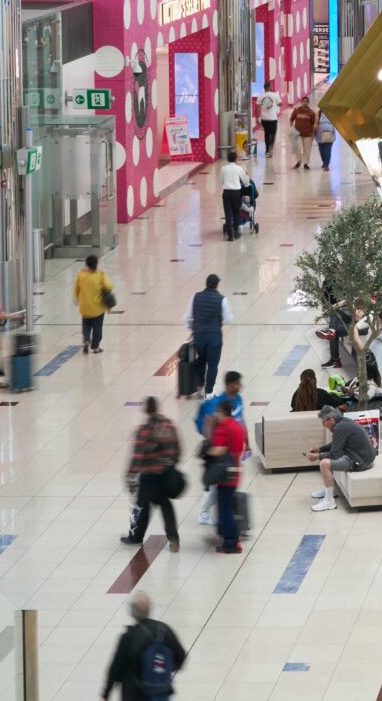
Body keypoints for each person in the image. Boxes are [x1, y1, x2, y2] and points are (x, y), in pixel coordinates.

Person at [120, 397, 181, 553]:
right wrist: (170, 464)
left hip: (148, 475)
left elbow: (137, 457)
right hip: (165, 474)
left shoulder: (144, 429)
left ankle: (135, 537)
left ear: (146, 410)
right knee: (166, 506)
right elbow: (177, 450)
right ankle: (173, 538)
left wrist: (131, 477)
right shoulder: (168, 425)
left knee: (141, 506)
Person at [102, 590, 187, 700]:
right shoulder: (164, 630)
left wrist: (106, 692)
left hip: (135, 694)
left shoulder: (129, 636)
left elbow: (115, 668)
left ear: (133, 612)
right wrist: (162, 670)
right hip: (160, 692)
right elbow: (181, 655)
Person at [307, 405, 376, 513]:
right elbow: (336, 443)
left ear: (331, 419)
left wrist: (318, 457)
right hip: (361, 456)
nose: (323, 425)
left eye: (323, 422)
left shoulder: (339, 427)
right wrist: (319, 449)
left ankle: (329, 501)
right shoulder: (342, 422)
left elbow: (335, 454)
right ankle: (329, 490)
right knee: (328, 459)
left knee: (324, 464)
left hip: (359, 461)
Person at [204, 396, 248, 553]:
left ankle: (231, 542)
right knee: (226, 507)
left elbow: (219, 449)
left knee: (225, 510)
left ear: (222, 412)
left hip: (224, 474)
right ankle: (226, 536)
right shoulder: (237, 426)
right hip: (235, 470)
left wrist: (206, 452)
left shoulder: (224, 427)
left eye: (217, 412)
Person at [183, 274, 232, 398]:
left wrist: (193, 328)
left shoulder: (195, 297)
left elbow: (187, 317)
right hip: (214, 337)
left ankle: (200, 387)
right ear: (216, 285)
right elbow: (228, 319)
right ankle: (209, 391)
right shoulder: (221, 299)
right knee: (212, 364)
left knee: (201, 361)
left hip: (199, 336)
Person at [75, 254, 112, 354]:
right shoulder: (100, 275)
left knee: (86, 325)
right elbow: (109, 287)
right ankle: (95, 347)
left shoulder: (81, 275)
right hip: (98, 308)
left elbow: (76, 289)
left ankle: (86, 339)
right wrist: (104, 272)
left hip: (85, 307)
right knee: (97, 328)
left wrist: (76, 298)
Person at [219, 149, 247, 240]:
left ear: (227, 159)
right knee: (236, 212)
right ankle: (236, 229)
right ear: (235, 159)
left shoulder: (223, 168)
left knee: (228, 213)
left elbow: (222, 181)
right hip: (236, 192)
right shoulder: (239, 168)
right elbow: (245, 181)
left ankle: (229, 235)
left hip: (226, 192)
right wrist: (246, 184)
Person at [290, 96, 319, 169]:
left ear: (308, 103)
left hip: (307, 134)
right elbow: (291, 119)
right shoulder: (296, 110)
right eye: (303, 101)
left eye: (306, 101)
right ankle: (299, 161)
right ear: (301, 102)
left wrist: (313, 134)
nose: (305, 103)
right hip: (297, 133)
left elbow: (313, 123)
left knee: (307, 149)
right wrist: (291, 128)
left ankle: (306, 164)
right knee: (297, 148)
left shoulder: (311, 112)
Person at [257, 86, 281, 157]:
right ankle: (271, 148)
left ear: (264, 88)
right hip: (273, 118)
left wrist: (257, 118)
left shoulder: (261, 95)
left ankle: (267, 150)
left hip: (264, 119)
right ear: (270, 87)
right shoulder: (275, 95)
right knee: (273, 134)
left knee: (266, 134)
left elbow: (257, 107)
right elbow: (280, 104)